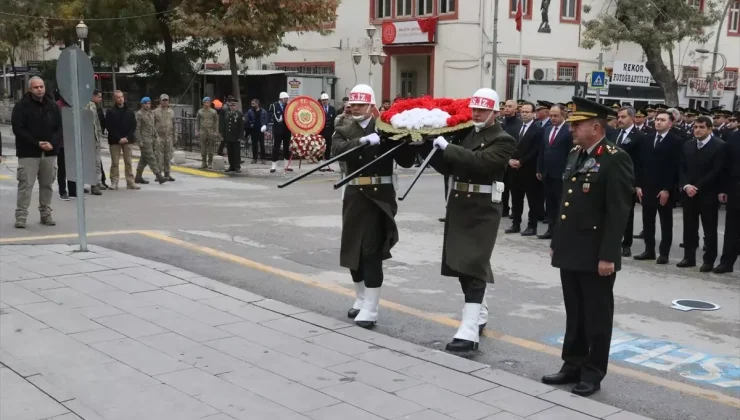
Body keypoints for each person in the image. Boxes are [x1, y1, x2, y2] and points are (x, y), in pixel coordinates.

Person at [542, 96, 634, 397]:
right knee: (575, 313)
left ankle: (593, 373)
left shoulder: (614, 157)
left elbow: (618, 211)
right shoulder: (575, 154)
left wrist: (609, 255)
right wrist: (557, 240)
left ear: (596, 127)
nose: (572, 129)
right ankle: (572, 364)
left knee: (596, 316)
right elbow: (564, 204)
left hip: (596, 253)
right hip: (571, 248)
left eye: (577, 125)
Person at [421, 88, 516, 353]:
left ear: (495, 113)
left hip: (484, 208)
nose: (476, 114)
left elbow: (482, 162)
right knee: (462, 265)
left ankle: (469, 330)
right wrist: (430, 147)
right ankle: (479, 311)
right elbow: (450, 166)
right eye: (474, 109)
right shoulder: (466, 132)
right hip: (460, 203)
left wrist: (449, 148)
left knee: (474, 264)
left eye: (483, 110)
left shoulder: (503, 138)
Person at [331, 84, 416, 329]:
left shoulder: (388, 129)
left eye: (359, 104)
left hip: (379, 196)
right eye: (352, 104)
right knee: (352, 249)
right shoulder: (343, 129)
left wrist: (407, 139)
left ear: (371, 105)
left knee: (371, 250)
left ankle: (372, 306)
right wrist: (362, 141)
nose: (354, 108)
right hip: (355, 194)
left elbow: (407, 161)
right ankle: (360, 297)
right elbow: (336, 152)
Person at [11, 76, 62, 228]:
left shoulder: (52, 106)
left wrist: (51, 143)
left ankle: (45, 214)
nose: (39, 89)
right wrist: (37, 143)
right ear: (29, 89)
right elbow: (18, 129)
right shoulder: (21, 106)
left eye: (41, 86)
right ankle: (21, 216)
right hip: (28, 153)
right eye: (36, 87)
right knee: (26, 185)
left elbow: (59, 128)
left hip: (49, 153)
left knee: (47, 185)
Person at [677, 116, 726, 272]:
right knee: (689, 226)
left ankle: (709, 260)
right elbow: (681, 168)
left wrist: (697, 187)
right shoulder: (688, 145)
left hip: (708, 194)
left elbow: (716, 171)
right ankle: (689, 257)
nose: (697, 130)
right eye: (696, 127)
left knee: (709, 228)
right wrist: (686, 186)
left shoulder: (719, 146)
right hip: (689, 192)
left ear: (710, 129)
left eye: (701, 127)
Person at [634, 110, 681, 264]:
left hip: (664, 189)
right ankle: (649, 250)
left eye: (662, 120)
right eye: (656, 119)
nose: (658, 122)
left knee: (665, 222)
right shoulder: (647, 139)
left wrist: (667, 189)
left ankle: (664, 253)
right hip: (647, 187)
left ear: (670, 123)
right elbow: (640, 164)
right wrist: (638, 185)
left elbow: (675, 168)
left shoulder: (676, 141)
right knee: (648, 221)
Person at [506, 101, 544, 236]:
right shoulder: (517, 127)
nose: (524, 114)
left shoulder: (538, 130)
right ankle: (515, 223)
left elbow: (536, 150)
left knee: (532, 200)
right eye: (522, 111)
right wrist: (509, 159)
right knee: (516, 198)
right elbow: (510, 146)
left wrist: (521, 162)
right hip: (514, 169)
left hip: (529, 170)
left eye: (527, 112)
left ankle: (531, 226)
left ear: (534, 114)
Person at [536, 104, 572, 239]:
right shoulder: (547, 129)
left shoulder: (568, 130)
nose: (552, 118)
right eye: (551, 116)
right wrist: (539, 168)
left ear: (563, 115)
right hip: (547, 173)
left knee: (560, 203)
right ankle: (550, 229)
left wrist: (567, 171)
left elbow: (571, 153)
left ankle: (560, 231)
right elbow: (542, 150)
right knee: (549, 203)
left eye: (556, 116)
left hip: (561, 174)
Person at [614, 106, 645, 257]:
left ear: (632, 118)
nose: (619, 120)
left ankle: (626, 244)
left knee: (627, 214)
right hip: (612, 179)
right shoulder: (614, 134)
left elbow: (640, 163)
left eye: (623, 117)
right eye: (618, 117)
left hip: (628, 181)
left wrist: (636, 183)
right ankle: (612, 241)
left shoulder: (639, 136)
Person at [715, 128, 739, 273]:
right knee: (732, 229)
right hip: (736, 189)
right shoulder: (734, 137)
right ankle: (726, 262)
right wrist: (723, 189)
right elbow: (726, 166)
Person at [106, 90, 139, 190]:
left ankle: (130, 182)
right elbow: (109, 126)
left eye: (122, 97)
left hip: (127, 140)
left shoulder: (129, 110)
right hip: (115, 140)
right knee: (115, 162)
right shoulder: (110, 111)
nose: (121, 99)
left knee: (128, 161)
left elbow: (133, 125)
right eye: (118, 97)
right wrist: (118, 138)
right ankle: (114, 181)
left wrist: (127, 137)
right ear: (114, 99)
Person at [134, 97, 166, 185]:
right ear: (142, 104)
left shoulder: (151, 113)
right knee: (151, 158)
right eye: (145, 103)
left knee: (144, 159)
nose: (147, 105)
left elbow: (152, 126)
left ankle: (138, 176)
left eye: (149, 103)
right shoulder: (139, 114)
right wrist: (139, 140)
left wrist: (156, 136)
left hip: (152, 139)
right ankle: (159, 176)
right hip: (144, 140)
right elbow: (137, 128)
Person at [86, 90, 105, 195]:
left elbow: (97, 122)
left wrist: (99, 135)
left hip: (95, 139)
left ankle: (96, 184)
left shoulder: (93, 106)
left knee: (97, 162)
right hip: (86, 139)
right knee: (86, 163)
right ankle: (83, 184)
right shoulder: (81, 105)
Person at [154, 93, 176, 181]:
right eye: (163, 100)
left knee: (168, 156)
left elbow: (174, 125)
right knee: (159, 157)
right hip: (159, 138)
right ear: (160, 101)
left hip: (169, 138)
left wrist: (175, 136)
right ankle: (158, 175)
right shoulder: (155, 112)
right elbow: (152, 125)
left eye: (166, 100)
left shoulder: (171, 112)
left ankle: (167, 174)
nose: (165, 102)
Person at [269, 92, 292, 173]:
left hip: (286, 130)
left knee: (287, 147)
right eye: (286, 98)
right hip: (278, 129)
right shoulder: (274, 106)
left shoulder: (288, 106)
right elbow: (271, 115)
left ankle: (287, 165)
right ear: (281, 98)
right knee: (276, 147)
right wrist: (277, 119)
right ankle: (274, 165)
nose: (287, 100)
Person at [196, 97, 219, 169]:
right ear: (203, 103)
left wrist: (216, 131)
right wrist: (197, 131)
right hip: (202, 132)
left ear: (210, 103)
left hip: (211, 131)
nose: (206, 104)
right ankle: (203, 162)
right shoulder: (200, 111)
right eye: (205, 102)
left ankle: (210, 162)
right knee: (203, 149)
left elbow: (216, 122)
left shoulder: (213, 112)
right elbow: (197, 122)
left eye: (208, 102)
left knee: (210, 149)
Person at [223, 97, 244, 173]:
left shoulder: (239, 114)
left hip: (236, 136)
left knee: (236, 152)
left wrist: (240, 136)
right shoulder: (227, 114)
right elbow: (225, 125)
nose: (232, 107)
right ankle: (231, 166)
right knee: (230, 152)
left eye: (234, 105)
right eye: (231, 106)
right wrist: (224, 135)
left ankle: (237, 166)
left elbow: (241, 126)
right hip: (229, 136)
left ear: (236, 106)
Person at [246, 99, 268, 164]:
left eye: (253, 104)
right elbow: (247, 119)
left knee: (262, 145)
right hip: (253, 130)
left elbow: (266, 120)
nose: (252, 105)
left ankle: (263, 158)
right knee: (254, 145)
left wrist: (265, 126)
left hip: (261, 130)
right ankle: (254, 158)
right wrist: (249, 125)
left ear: (257, 103)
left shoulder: (263, 111)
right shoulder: (250, 111)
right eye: (251, 104)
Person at [319, 93, 336, 171]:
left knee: (328, 147)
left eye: (325, 100)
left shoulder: (332, 109)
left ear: (328, 100)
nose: (324, 101)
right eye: (323, 100)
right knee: (320, 147)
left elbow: (334, 120)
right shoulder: (319, 108)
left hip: (330, 131)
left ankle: (327, 163)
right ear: (321, 101)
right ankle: (320, 164)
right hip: (321, 131)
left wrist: (334, 130)